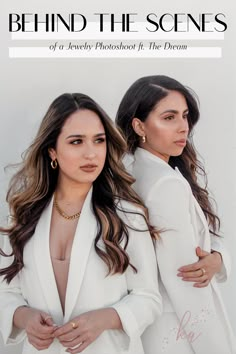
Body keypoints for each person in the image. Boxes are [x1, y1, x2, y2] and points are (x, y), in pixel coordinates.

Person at [0, 93, 162, 354]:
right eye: (76, 141)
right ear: (52, 150)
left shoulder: (127, 216)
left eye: (99, 141)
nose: (91, 153)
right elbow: (5, 292)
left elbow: (149, 299)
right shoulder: (22, 216)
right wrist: (24, 317)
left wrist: (106, 318)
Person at [116, 75, 235, 353]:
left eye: (184, 116)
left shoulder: (133, 173)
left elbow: (201, 245)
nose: (183, 127)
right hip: (181, 332)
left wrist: (217, 259)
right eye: (169, 118)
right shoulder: (165, 184)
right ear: (139, 125)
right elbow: (185, 280)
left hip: (158, 329)